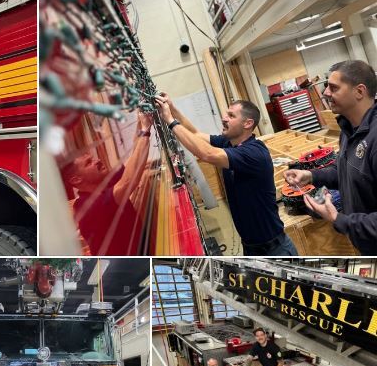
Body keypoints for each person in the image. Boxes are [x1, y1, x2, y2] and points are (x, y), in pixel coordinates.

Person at [156, 93, 297, 255]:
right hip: (250, 246)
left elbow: (207, 154)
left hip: (275, 249)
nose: (224, 118)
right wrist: (172, 109)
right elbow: (195, 134)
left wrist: (170, 121)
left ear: (248, 123)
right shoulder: (229, 143)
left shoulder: (255, 152)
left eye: (231, 115)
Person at [284, 60, 377, 255]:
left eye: (333, 87)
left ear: (359, 91)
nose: (325, 93)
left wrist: (338, 219)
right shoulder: (349, 129)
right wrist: (309, 175)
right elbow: (344, 170)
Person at [60, 111, 154, 255]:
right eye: (89, 162)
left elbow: (132, 160)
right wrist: (145, 132)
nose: (97, 160)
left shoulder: (102, 184)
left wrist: (141, 122)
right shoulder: (88, 207)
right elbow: (129, 181)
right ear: (76, 179)